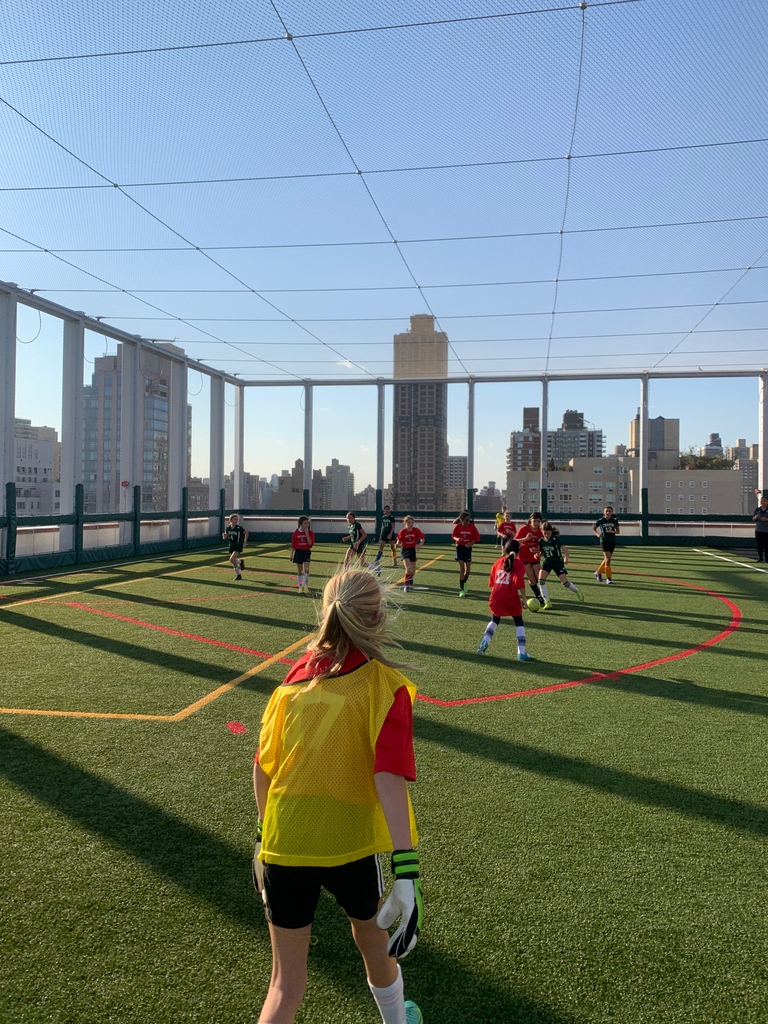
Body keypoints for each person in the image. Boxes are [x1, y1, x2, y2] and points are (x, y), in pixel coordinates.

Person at [253, 570, 424, 1024]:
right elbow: (387, 774)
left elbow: (262, 766)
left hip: (284, 839)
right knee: (374, 944)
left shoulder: (292, 679)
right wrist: (406, 869)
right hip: (347, 840)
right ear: (377, 616)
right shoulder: (383, 685)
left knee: (285, 985)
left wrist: (260, 838)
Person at [477, 537, 531, 660]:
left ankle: (484, 642)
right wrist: (524, 599)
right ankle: (521, 652)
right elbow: (519, 582)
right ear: (519, 551)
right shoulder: (519, 564)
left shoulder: (498, 562)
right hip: (510, 597)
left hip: (495, 596)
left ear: (505, 550)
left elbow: (492, 582)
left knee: (494, 619)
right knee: (518, 622)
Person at [537, 522, 584, 609]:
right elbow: (543, 552)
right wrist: (538, 555)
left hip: (557, 563)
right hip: (547, 562)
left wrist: (566, 558)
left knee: (565, 583)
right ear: (542, 531)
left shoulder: (555, 539)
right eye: (545, 533)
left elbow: (565, 550)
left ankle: (577, 591)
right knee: (541, 580)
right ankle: (547, 602)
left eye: (549, 533)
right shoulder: (541, 541)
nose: (547, 535)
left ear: (551, 532)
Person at [514, 512, 545, 605]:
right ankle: (538, 596)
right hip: (523, 557)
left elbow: (543, 545)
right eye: (534, 521)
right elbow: (515, 541)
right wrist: (525, 539)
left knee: (537, 578)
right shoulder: (524, 529)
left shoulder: (541, 532)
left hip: (535, 558)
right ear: (530, 520)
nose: (536, 523)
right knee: (531, 578)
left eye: (538, 521)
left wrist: (537, 549)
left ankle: (537, 590)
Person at [451, 511, 481, 597]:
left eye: (469, 520)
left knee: (467, 571)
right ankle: (462, 590)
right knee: (462, 569)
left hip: (467, 549)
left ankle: (464, 583)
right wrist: (458, 539)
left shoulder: (472, 527)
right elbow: (453, 536)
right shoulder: (458, 527)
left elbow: (477, 538)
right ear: (461, 520)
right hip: (460, 548)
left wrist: (470, 543)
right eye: (467, 520)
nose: (468, 522)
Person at [396, 516, 425, 593]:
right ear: (405, 523)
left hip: (412, 550)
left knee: (413, 571)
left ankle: (410, 578)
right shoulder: (402, 531)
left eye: (412, 522)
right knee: (408, 569)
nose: (410, 524)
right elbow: (399, 542)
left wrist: (419, 545)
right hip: (405, 550)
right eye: (409, 523)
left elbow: (422, 538)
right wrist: (397, 544)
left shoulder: (416, 530)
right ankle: (406, 586)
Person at [592, 505, 620, 584]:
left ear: (612, 512)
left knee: (607, 560)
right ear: (604, 512)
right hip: (604, 541)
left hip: (612, 541)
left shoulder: (614, 520)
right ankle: (609, 578)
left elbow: (618, 531)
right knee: (608, 560)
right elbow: (594, 528)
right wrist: (597, 534)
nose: (608, 512)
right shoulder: (601, 520)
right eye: (606, 511)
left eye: (609, 511)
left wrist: (612, 532)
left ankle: (598, 572)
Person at [290, 516, 315, 593]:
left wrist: (307, 534)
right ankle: (300, 586)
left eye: (308, 523)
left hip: (306, 551)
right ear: (301, 524)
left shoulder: (310, 533)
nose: (307, 525)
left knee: (306, 569)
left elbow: (310, 543)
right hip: (298, 552)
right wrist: (291, 555)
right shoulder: (296, 533)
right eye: (305, 523)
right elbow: (293, 545)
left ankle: (306, 585)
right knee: (300, 570)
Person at [223, 513, 248, 580]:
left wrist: (245, 542)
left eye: (237, 519)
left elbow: (246, 533)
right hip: (231, 545)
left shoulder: (239, 528)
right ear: (230, 520)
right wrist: (224, 536)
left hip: (238, 545)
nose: (236, 521)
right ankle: (238, 574)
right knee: (233, 561)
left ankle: (240, 562)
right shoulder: (228, 528)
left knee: (231, 559)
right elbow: (226, 536)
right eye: (234, 519)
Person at [373, 505, 398, 572]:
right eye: (385, 509)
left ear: (389, 510)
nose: (387, 510)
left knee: (392, 547)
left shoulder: (392, 517)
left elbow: (393, 526)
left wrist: (390, 534)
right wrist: (381, 534)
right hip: (384, 533)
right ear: (384, 510)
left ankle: (394, 560)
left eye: (388, 509)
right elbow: (382, 526)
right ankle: (377, 560)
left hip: (390, 533)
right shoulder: (383, 517)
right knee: (381, 547)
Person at [752, 491, 768, 562]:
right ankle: (760, 557)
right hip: (758, 530)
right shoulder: (757, 509)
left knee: (767, 545)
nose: (762, 502)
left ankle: (767, 558)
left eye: (764, 501)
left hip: (767, 530)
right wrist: (756, 517)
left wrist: (766, 519)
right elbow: (753, 519)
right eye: (762, 501)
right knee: (759, 545)